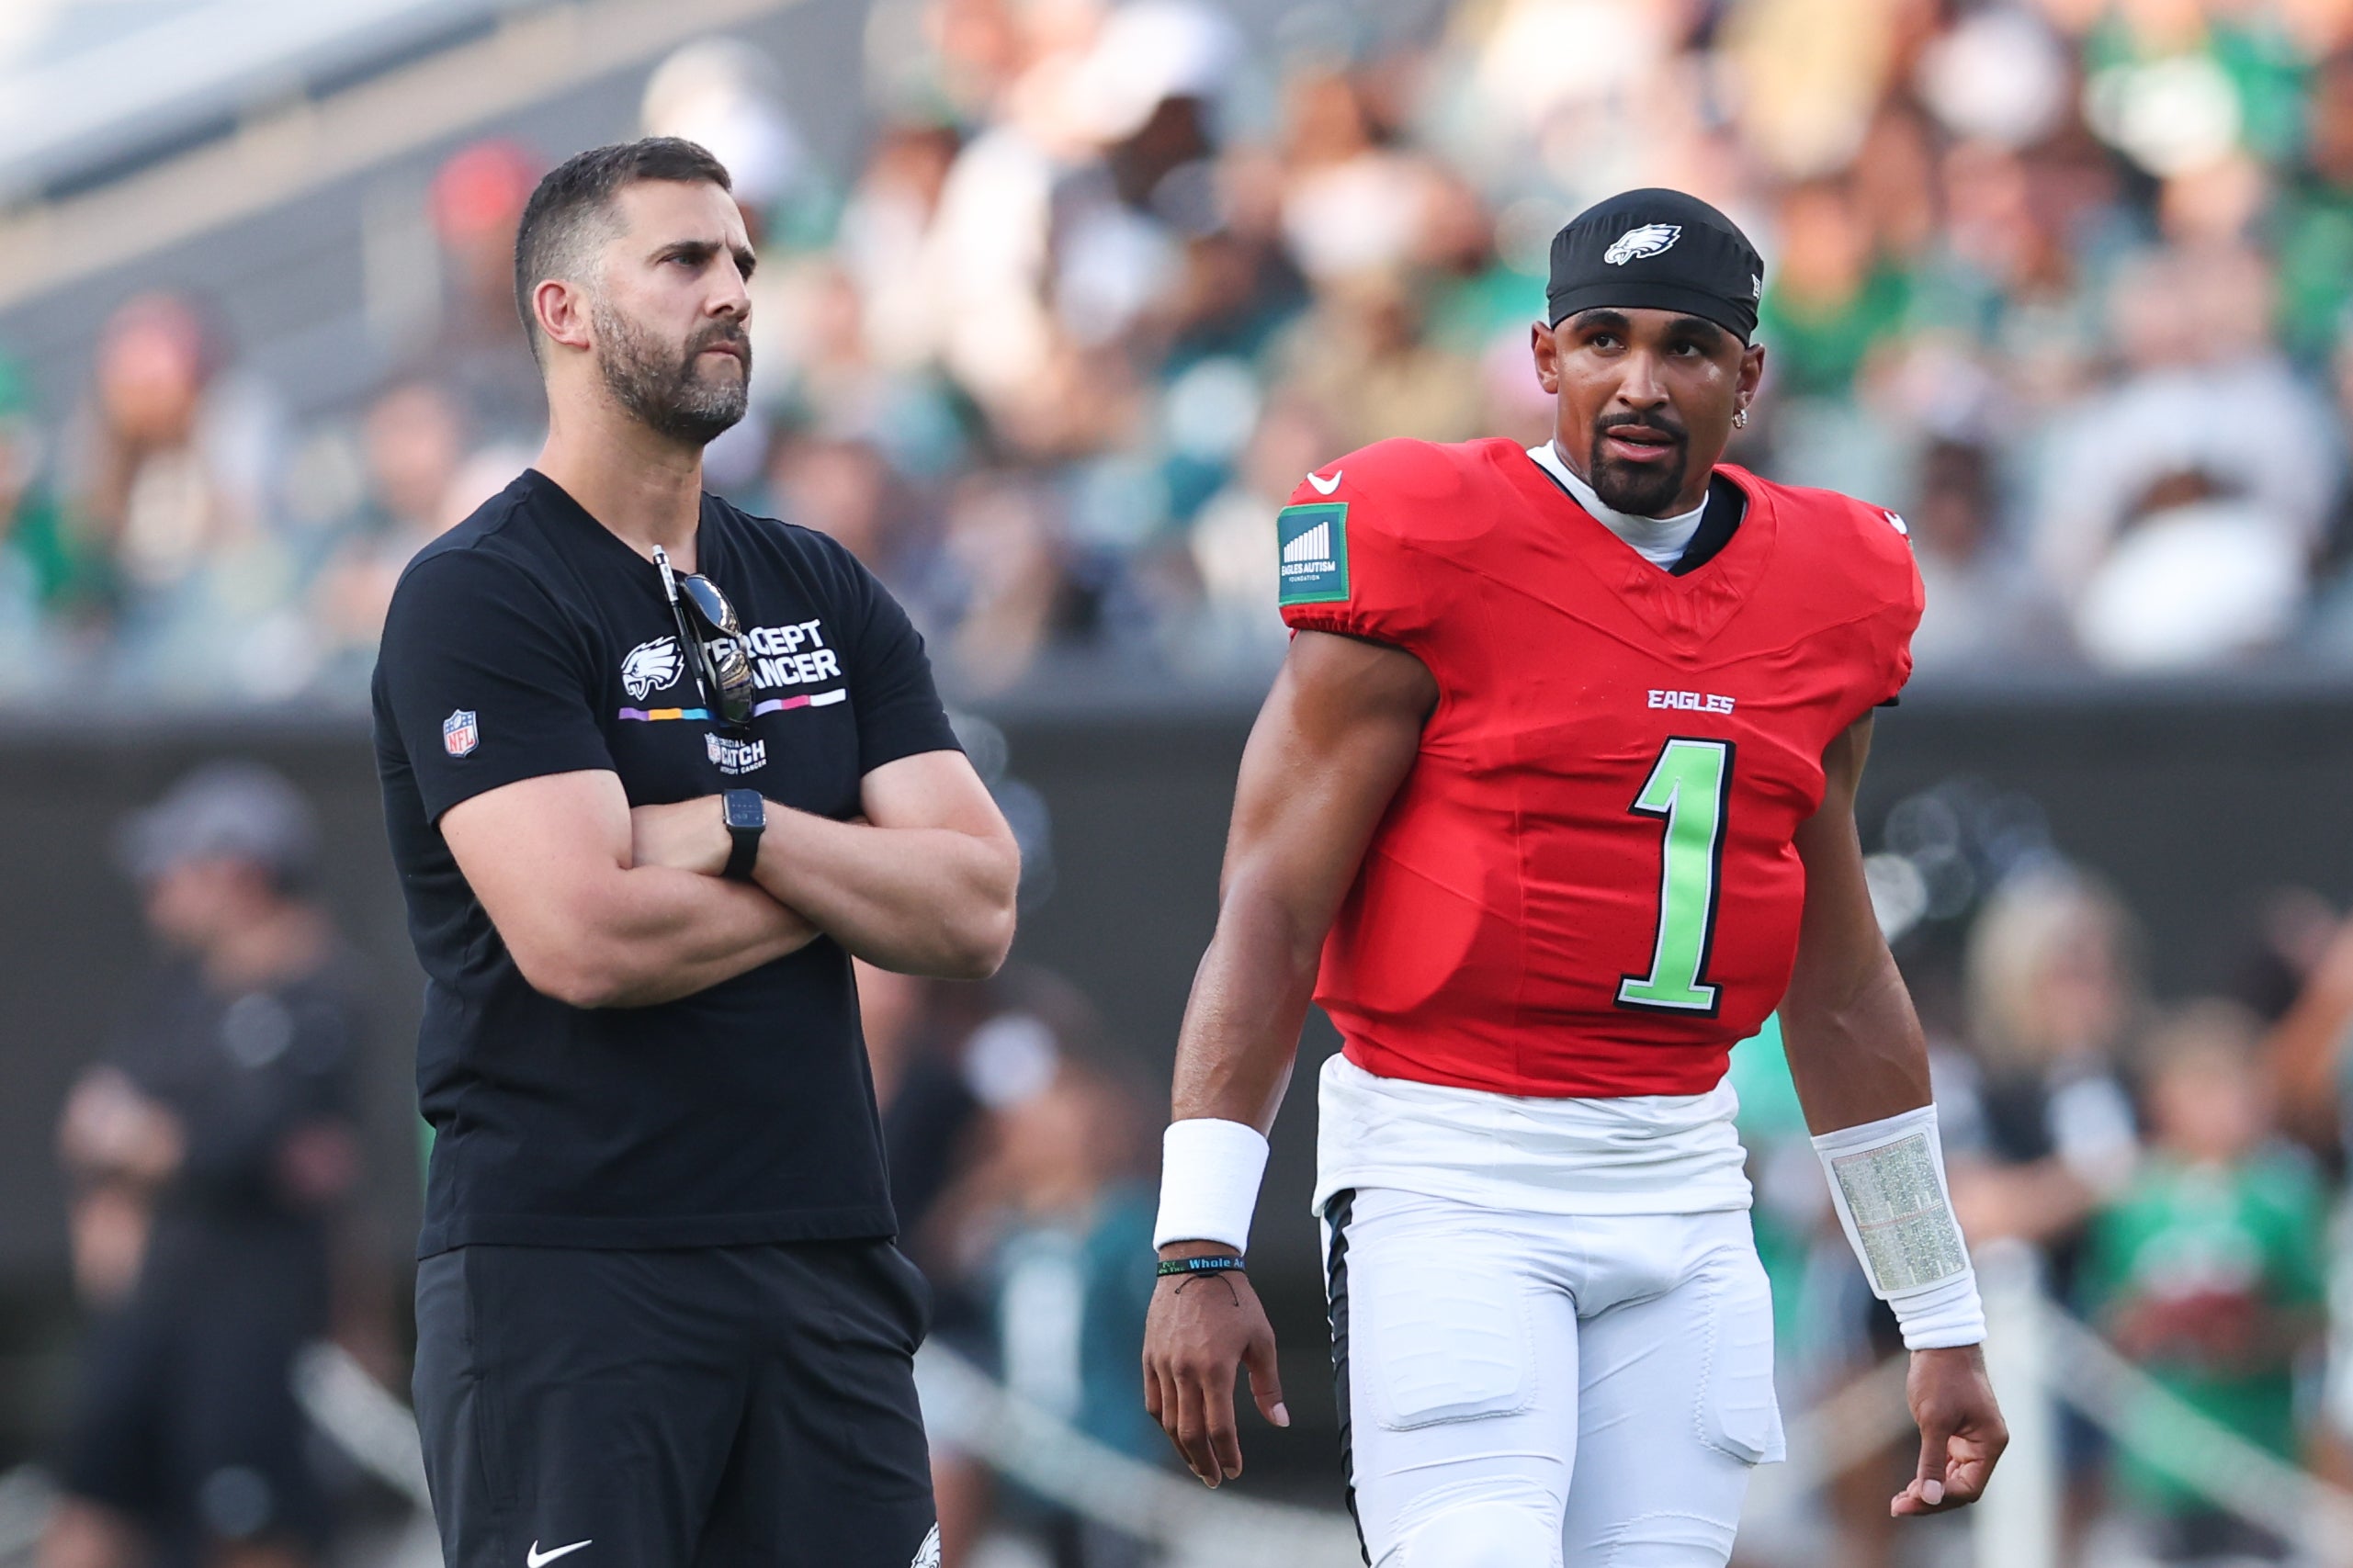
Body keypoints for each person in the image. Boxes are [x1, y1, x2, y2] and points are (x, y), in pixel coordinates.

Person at [1139, 189, 2008, 1567]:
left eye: (1687, 348)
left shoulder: (1833, 582)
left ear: (1750, 374)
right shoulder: (1427, 530)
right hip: (1450, 1169)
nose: (1641, 383)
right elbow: (1270, 906)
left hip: (1682, 1178)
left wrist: (1936, 1307)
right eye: (1603, 340)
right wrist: (1198, 1241)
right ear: (1543, 357)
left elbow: (1838, 984)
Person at [370, 138, 1020, 1568]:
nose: (730, 290)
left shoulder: (819, 580)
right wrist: (855, 874)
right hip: (570, 1275)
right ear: (564, 310)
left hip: (826, 1256)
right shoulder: (477, 593)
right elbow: (585, 938)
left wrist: (744, 831)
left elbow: (975, 905)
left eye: (741, 262)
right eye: (683, 260)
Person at [44, 763, 364, 1568]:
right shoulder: (177, 991)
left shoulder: (318, 996)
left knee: (251, 1526)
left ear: (241, 874)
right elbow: (97, 1123)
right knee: (90, 1510)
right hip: (149, 1315)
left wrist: (153, 1146)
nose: (155, 888)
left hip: (248, 1325)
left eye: (173, 868)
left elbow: (242, 1146)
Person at [2082, 1001, 2327, 1564]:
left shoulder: (2283, 1194)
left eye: (2231, 1088)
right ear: (2163, 1101)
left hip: (2259, 1448)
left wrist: (2250, 1335)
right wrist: (2156, 1325)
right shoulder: (2136, 1199)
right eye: (2200, 1090)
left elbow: (2314, 1315)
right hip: (2159, 1456)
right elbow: (2108, 1315)